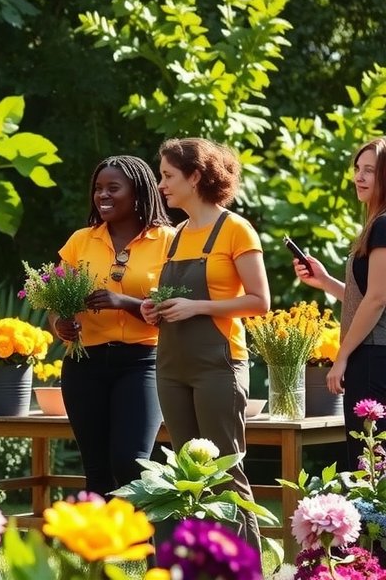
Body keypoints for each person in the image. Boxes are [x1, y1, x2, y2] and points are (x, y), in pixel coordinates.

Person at [142, 137, 270, 554]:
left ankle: (244, 564)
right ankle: (199, 562)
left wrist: (196, 306)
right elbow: (174, 299)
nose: (161, 184)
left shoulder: (235, 229)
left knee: (224, 471)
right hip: (172, 365)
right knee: (187, 472)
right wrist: (154, 308)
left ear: (196, 176)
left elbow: (260, 301)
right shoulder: (175, 235)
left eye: (168, 175)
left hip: (218, 364)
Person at [50, 156, 174, 496]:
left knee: (131, 462)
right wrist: (60, 323)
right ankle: (100, 547)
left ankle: (143, 544)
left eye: (113, 188)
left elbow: (175, 309)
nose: (102, 195)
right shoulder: (81, 240)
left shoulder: (169, 241)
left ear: (138, 194)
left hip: (143, 363)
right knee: (96, 467)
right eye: (98, 189)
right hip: (84, 364)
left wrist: (127, 304)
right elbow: (56, 300)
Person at [292, 137, 386, 466]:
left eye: (370, 171)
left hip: (374, 357)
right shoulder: (375, 225)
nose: (359, 177)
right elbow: (367, 296)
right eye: (357, 169)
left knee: (369, 464)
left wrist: (341, 356)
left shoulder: (383, 225)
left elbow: (377, 299)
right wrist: (325, 281)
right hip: (372, 355)